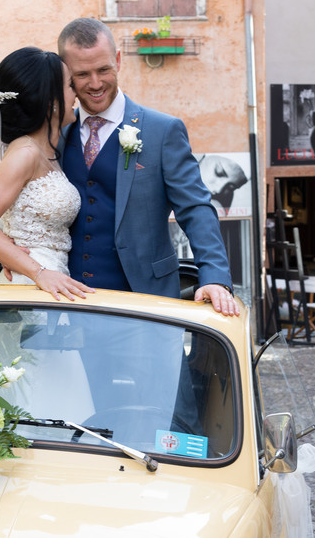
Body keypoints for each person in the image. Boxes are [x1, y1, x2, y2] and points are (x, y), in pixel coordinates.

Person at [57, 17, 239, 317]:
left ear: (118, 60)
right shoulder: (57, 134)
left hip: (147, 305)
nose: (95, 83)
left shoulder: (163, 131)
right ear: (66, 74)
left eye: (103, 69)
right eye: (82, 74)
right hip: (68, 307)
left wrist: (215, 277)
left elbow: (195, 208)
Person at [0, 46, 93, 302]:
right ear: (51, 101)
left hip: (53, 278)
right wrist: (39, 273)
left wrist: (6, 250)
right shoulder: (24, 153)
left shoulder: (46, 151)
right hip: (31, 282)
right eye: (70, 85)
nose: (77, 94)